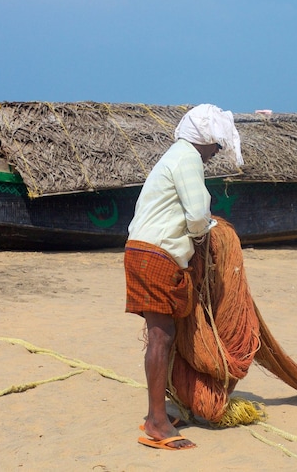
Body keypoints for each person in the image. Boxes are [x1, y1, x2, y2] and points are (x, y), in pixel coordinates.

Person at [123, 104, 243, 451]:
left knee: (165, 334)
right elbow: (195, 215)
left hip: (147, 252)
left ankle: (156, 415)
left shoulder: (175, 155)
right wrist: (209, 232)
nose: (216, 154)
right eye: (216, 146)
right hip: (156, 254)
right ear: (204, 140)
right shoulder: (188, 157)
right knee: (162, 336)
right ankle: (156, 423)